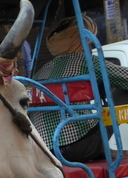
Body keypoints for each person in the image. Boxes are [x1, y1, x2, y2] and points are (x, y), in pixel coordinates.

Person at [29, 15, 128, 162]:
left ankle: (103, 149)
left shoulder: (42, 70)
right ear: (85, 41)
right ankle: (101, 149)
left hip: (43, 149)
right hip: (76, 147)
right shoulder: (85, 61)